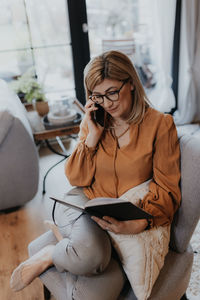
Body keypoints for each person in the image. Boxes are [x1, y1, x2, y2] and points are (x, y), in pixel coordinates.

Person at [10, 50, 181, 299]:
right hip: (83, 204)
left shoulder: (160, 125)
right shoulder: (95, 119)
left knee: (100, 289)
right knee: (92, 256)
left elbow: (168, 188)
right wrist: (91, 136)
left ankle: (62, 249)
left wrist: (140, 222)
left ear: (131, 83)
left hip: (120, 213)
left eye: (112, 92)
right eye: (98, 96)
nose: (107, 103)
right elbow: (76, 179)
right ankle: (51, 252)